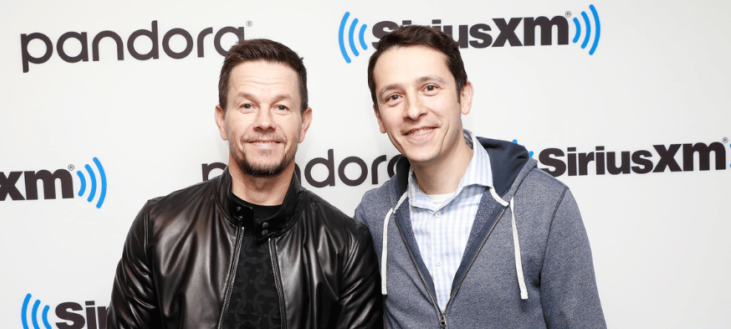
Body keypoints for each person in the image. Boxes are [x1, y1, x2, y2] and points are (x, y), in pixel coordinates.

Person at [107, 39, 382, 329]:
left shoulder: (346, 244)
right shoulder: (158, 227)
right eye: (247, 105)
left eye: (282, 107)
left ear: (304, 123)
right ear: (222, 120)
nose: (265, 122)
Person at [354, 25, 606, 328]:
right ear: (380, 117)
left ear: (464, 96)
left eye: (430, 88)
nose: (413, 110)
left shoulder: (544, 204)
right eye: (394, 97)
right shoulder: (373, 214)